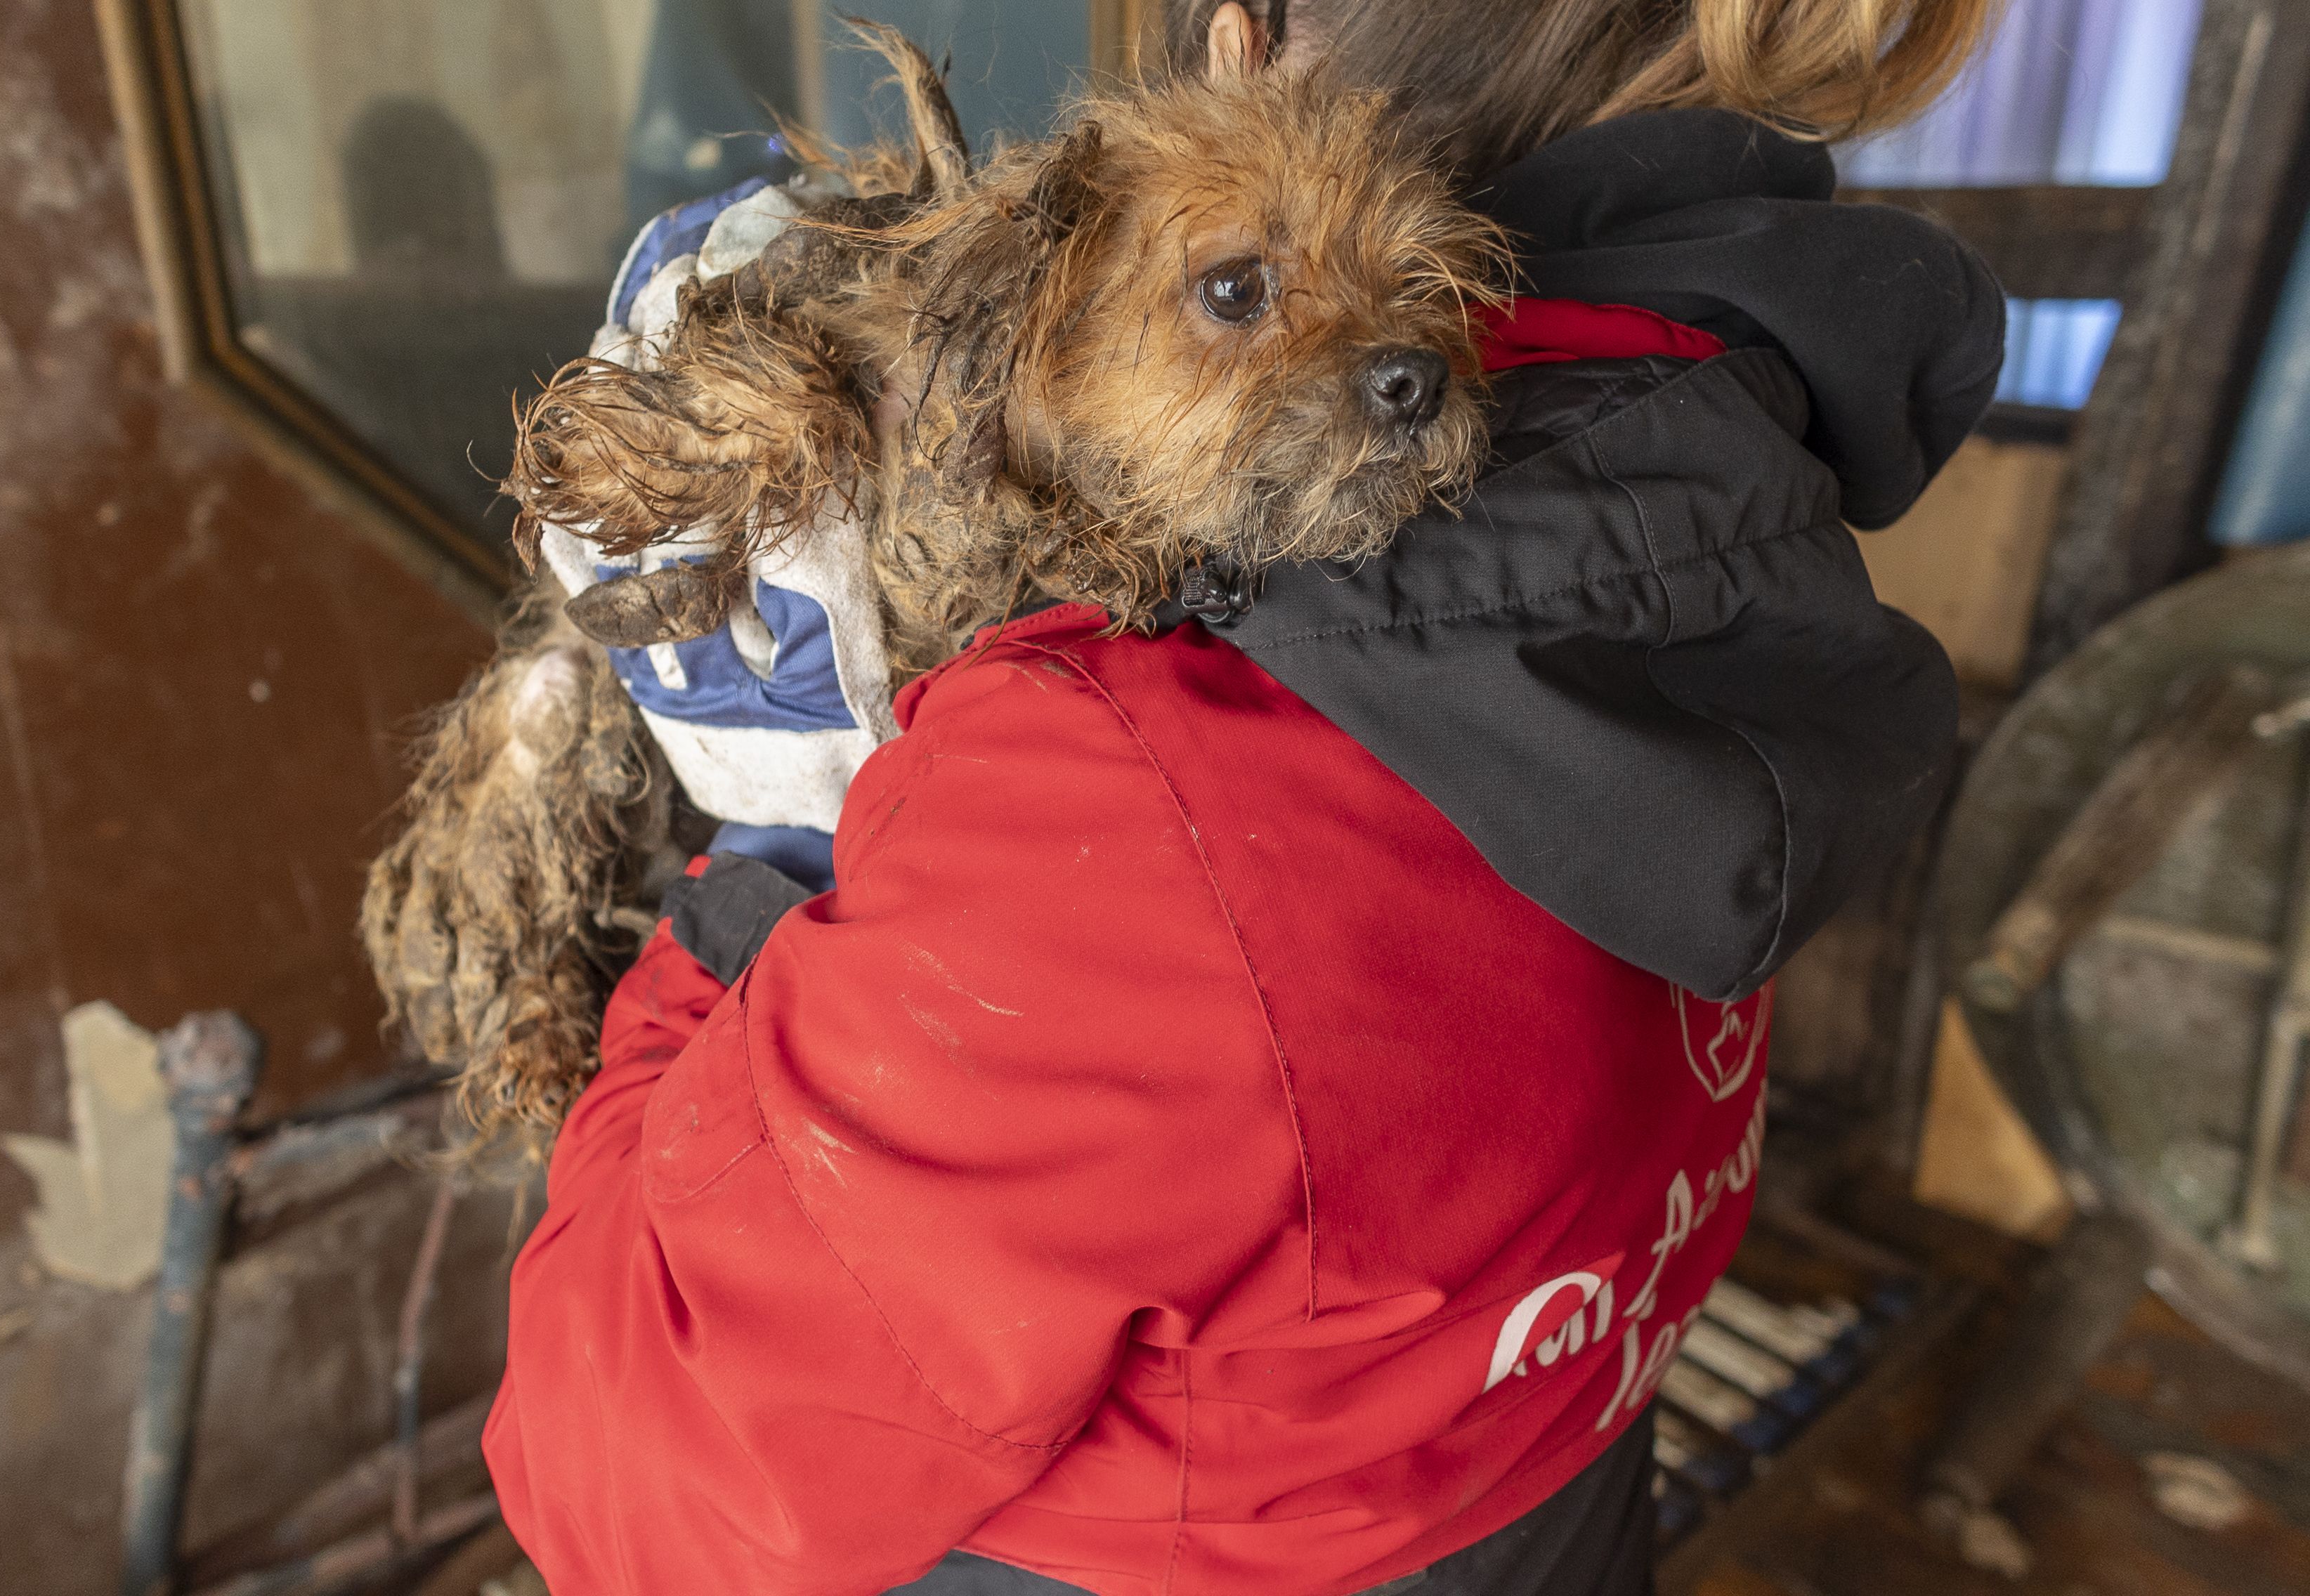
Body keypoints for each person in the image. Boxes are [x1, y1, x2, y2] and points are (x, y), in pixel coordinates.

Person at [483, 2, 2004, 1592]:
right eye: (1236, 292)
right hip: (1550, 1495)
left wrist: (740, 907)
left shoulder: (1128, 789)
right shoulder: (1732, 495)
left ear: (1236, 40)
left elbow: (623, 1483)